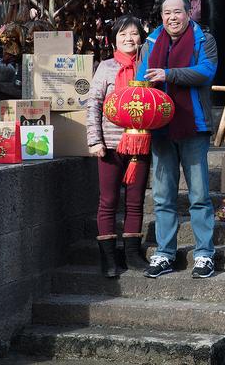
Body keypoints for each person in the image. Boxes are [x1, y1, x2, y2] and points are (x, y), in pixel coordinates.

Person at [136, 0, 218, 279]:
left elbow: (206, 72)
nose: (172, 17)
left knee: (199, 194)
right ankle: (165, 253)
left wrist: (169, 75)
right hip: (161, 127)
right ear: (161, 17)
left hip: (193, 125)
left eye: (177, 12)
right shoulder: (151, 42)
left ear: (188, 13)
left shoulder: (203, 39)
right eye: (166, 13)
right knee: (162, 195)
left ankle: (205, 254)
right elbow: (140, 78)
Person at [86, 14, 149, 278]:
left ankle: (133, 254)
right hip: (110, 146)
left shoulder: (148, 66)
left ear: (141, 38)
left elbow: (155, 104)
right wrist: (95, 141)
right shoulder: (106, 67)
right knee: (108, 201)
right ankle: (109, 258)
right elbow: (93, 105)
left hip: (141, 145)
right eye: (123, 34)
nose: (128, 39)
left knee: (135, 202)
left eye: (134, 33)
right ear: (115, 39)